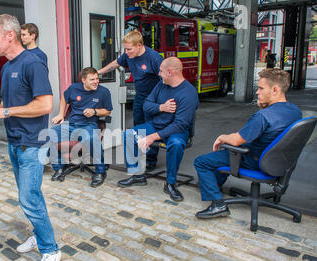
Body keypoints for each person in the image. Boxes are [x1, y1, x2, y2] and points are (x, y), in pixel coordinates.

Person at [0, 14, 61, 261]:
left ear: (10, 36)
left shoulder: (33, 63)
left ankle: (50, 251)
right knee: (29, 196)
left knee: (28, 199)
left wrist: (5, 110)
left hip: (33, 144)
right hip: (14, 143)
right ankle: (39, 236)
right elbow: (15, 106)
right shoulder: (6, 68)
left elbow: (45, 105)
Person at [194, 68, 302, 219]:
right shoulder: (295, 111)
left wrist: (221, 137)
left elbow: (236, 140)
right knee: (219, 157)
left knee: (202, 162)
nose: (257, 92)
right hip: (280, 162)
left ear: (275, 90)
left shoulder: (263, 117)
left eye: (261, 88)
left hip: (254, 160)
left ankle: (218, 204)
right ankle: (213, 187)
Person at [117, 57, 199, 202]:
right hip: (156, 125)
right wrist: (161, 107)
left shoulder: (188, 93)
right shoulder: (161, 85)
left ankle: (170, 183)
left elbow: (180, 125)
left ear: (170, 72)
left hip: (177, 131)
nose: (159, 74)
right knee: (128, 135)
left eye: (161, 71)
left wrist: (152, 137)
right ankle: (137, 176)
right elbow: (146, 105)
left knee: (176, 144)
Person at [98, 29, 163, 171]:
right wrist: (98, 73)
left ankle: (151, 159)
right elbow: (115, 64)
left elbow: (164, 80)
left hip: (153, 100)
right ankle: (139, 155)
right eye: (125, 49)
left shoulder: (154, 58)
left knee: (149, 127)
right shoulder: (128, 55)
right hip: (140, 97)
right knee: (138, 126)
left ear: (139, 45)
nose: (126, 52)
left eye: (129, 49)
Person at [50, 67, 113, 187]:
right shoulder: (74, 88)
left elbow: (107, 111)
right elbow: (64, 97)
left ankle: (100, 172)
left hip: (88, 125)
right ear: (83, 80)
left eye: (97, 79)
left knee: (91, 139)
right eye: (92, 79)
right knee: (50, 135)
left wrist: (95, 111)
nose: (96, 82)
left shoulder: (104, 92)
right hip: (71, 124)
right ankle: (59, 167)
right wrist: (60, 114)